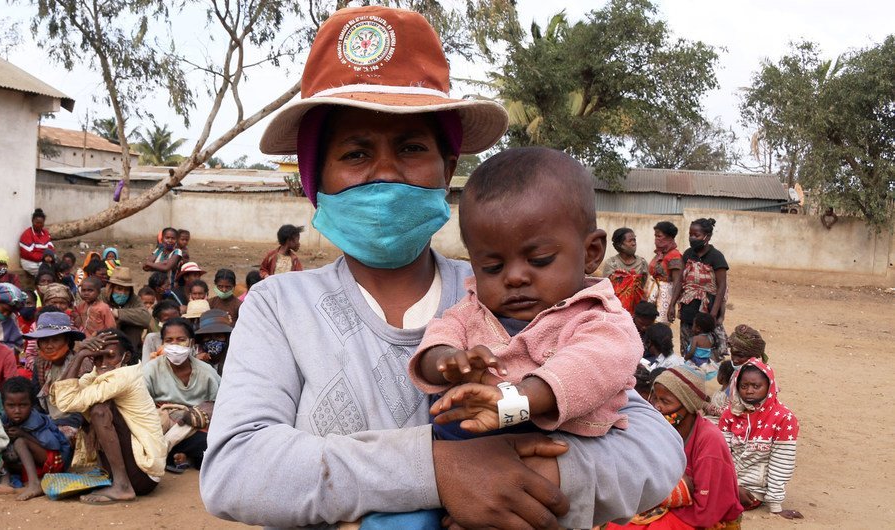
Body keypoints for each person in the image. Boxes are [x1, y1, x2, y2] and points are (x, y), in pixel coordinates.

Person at [200, 7, 683, 529]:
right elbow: (236, 469)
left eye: (411, 148)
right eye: (356, 153)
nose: (385, 173)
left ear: (447, 168)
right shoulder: (279, 307)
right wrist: (437, 467)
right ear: (316, 178)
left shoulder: (511, 297)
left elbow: (652, 447)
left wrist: (531, 481)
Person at [407, 148, 640, 444]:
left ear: (591, 253)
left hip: (561, 445)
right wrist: (448, 361)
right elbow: (439, 336)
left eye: (540, 259)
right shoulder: (472, 310)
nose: (514, 277)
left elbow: (591, 366)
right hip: (461, 452)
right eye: (492, 267)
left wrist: (516, 401)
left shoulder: (599, 318)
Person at [612, 367, 743, 529]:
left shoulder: (710, 441)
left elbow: (708, 509)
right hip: (671, 506)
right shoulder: (659, 430)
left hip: (703, 516)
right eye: (655, 399)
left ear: (688, 405)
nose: (656, 407)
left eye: (665, 401)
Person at [49, 328, 166, 502]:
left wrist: (79, 357)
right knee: (91, 405)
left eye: (110, 356)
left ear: (125, 358)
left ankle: (122, 486)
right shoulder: (96, 375)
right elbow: (60, 396)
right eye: (97, 357)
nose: (103, 363)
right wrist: (79, 355)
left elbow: (67, 402)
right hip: (130, 468)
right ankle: (118, 481)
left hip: (144, 474)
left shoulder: (125, 375)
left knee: (99, 410)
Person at [719, 359, 803, 520]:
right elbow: (720, 454)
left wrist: (776, 506)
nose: (749, 391)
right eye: (744, 386)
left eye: (756, 386)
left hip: (753, 492)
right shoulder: (730, 414)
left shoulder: (784, 418)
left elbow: (781, 464)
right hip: (727, 483)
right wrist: (729, 485)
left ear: (769, 387)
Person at [142, 317, 218, 474]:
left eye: (181, 339)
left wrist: (198, 413)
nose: (175, 345)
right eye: (169, 340)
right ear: (162, 343)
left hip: (195, 425)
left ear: (191, 342)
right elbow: (141, 403)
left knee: (211, 443)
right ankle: (182, 456)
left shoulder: (206, 372)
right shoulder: (152, 370)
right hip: (163, 425)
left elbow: (221, 402)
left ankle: (178, 456)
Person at [0, 376, 72, 500]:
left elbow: (53, 445)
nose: (17, 410)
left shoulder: (36, 420)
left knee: (20, 443)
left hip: (55, 461)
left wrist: (23, 435)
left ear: (32, 405)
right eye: (11, 406)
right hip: (33, 464)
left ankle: (34, 484)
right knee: (0, 449)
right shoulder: (3, 419)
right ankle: (4, 486)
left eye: (23, 405)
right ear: (4, 405)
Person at [669, 218, 729, 359]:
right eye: (690, 235)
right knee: (686, 346)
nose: (692, 238)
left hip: (708, 308)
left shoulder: (716, 257)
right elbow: (680, 282)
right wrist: (672, 305)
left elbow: (721, 287)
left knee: (713, 346)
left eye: (696, 235)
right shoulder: (689, 254)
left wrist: (713, 314)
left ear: (707, 237)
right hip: (688, 306)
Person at [24, 311, 91, 437]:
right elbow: (35, 398)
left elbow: (84, 406)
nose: (49, 345)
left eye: (55, 340)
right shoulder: (40, 363)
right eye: (44, 340)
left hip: (74, 420)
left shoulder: (82, 364)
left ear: (67, 340)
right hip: (48, 419)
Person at [601, 227, 649, 315]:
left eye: (635, 240)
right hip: (616, 310)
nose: (634, 243)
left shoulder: (642, 263)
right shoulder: (611, 264)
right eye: (630, 241)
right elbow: (606, 288)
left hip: (637, 311)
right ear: (620, 245)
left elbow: (643, 285)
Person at [105, 267, 151, 355]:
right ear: (111, 288)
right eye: (119, 289)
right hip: (105, 340)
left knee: (135, 325)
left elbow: (146, 318)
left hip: (129, 341)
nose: (123, 293)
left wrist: (118, 313)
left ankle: (130, 355)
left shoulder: (134, 299)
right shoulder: (101, 295)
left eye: (126, 290)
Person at [647, 221, 683, 324]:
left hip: (665, 296)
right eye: (655, 236)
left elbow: (677, 282)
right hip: (653, 293)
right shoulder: (660, 254)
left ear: (669, 237)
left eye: (659, 236)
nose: (656, 239)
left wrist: (672, 305)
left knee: (659, 325)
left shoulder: (674, 255)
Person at [194, 309, 233, 375]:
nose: (213, 341)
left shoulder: (235, 359)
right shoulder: (196, 361)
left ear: (227, 338)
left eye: (218, 336)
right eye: (207, 336)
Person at [19, 209, 54, 279]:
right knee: (45, 271)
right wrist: (44, 257)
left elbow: (51, 248)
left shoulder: (45, 233)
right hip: (30, 262)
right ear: (32, 221)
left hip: (45, 260)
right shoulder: (27, 235)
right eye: (37, 222)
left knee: (56, 267)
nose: (39, 225)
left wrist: (48, 256)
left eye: (41, 223)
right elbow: (29, 254)